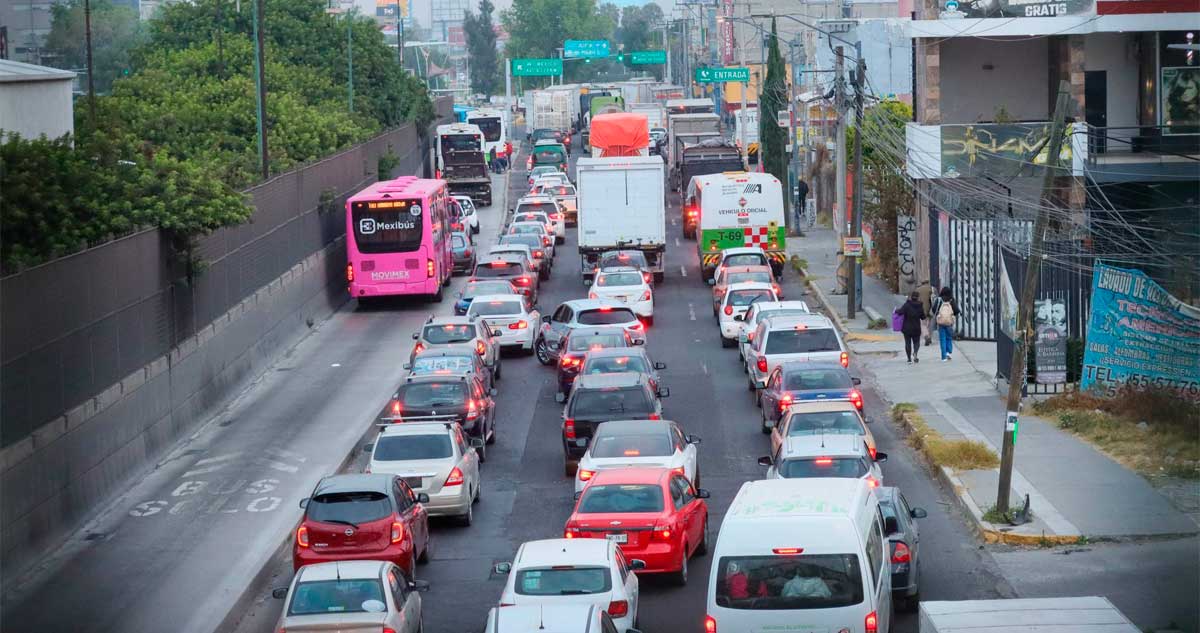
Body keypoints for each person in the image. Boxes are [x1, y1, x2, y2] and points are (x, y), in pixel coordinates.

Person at [896, 291, 926, 364]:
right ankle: (915, 352)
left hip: (907, 328)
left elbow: (900, 312)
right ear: (918, 297)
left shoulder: (907, 305)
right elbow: (923, 317)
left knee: (908, 343)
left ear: (911, 297)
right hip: (916, 328)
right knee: (916, 342)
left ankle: (909, 359)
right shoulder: (920, 306)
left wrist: (896, 310)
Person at [932, 287, 962, 361]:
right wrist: (951, 315)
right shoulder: (951, 300)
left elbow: (933, 309)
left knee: (942, 339)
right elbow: (957, 310)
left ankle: (943, 357)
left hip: (940, 322)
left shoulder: (939, 299)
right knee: (949, 337)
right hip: (949, 322)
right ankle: (948, 352)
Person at [916, 279, 934, 346]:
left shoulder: (918, 290)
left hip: (921, 310)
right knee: (929, 324)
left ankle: (926, 336)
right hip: (930, 309)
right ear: (928, 283)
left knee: (923, 325)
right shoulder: (932, 289)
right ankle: (929, 337)